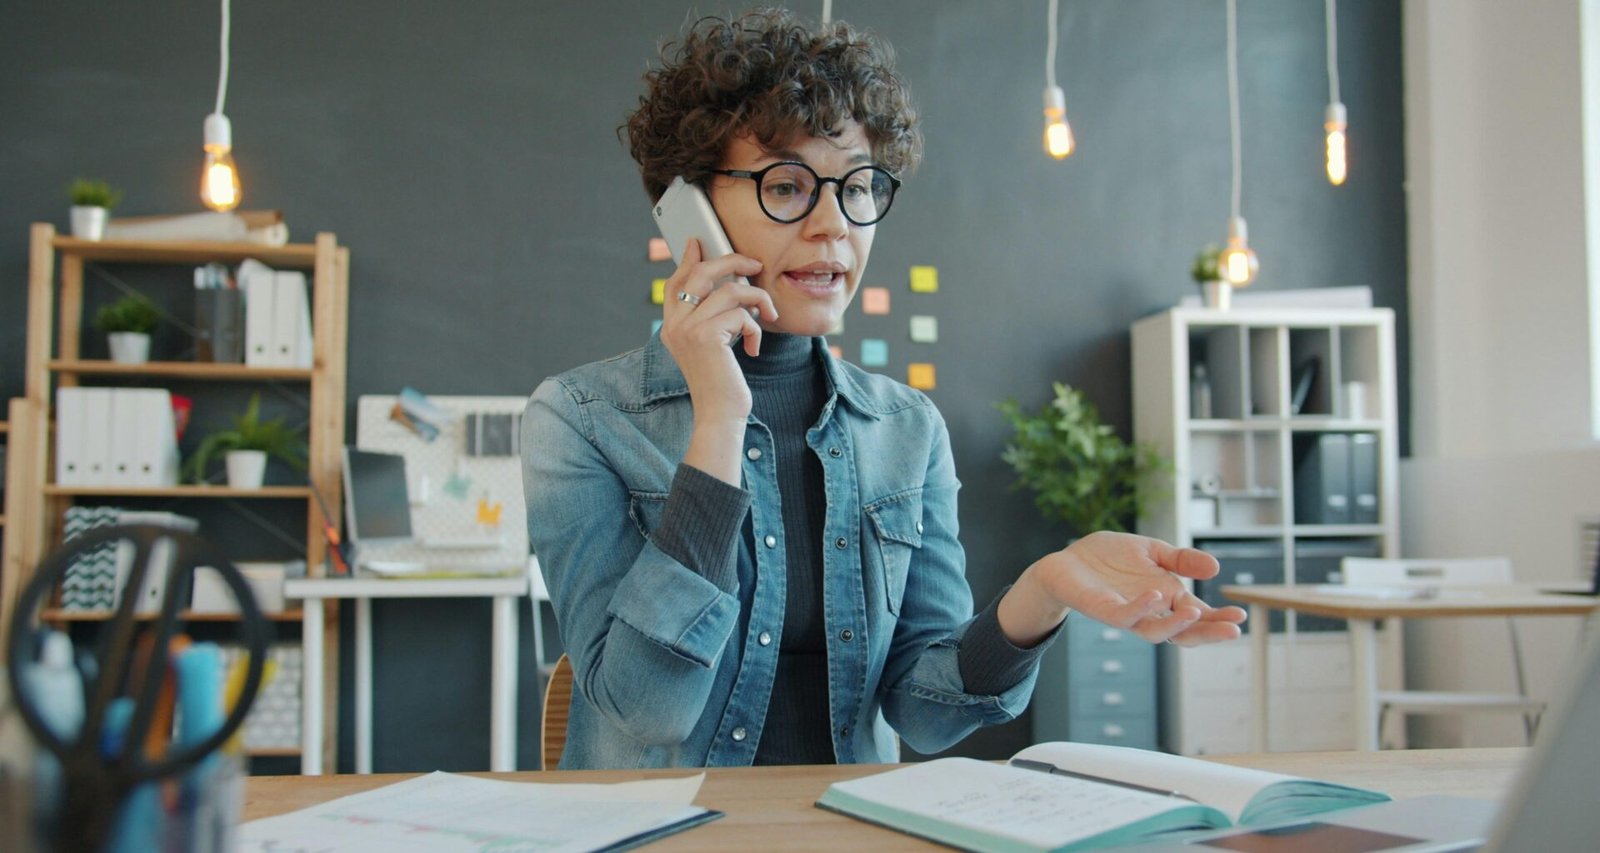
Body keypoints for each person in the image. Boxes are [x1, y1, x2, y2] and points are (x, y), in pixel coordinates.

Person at [521, 7, 1245, 770]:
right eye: (787, 186)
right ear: (688, 212)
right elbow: (648, 707)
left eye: (859, 187)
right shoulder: (580, 420)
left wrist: (1042, 592)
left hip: (847, 818)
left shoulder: (905, 427)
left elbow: (925, 711)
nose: (834, 224)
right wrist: (719, 423)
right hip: (664, 823)